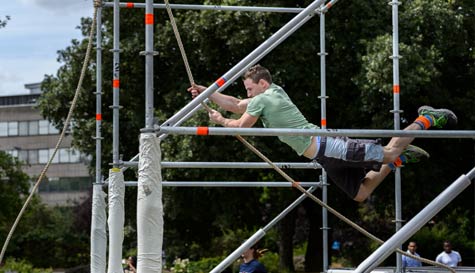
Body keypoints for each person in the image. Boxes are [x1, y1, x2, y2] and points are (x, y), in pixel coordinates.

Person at [188, 65, 457, 202]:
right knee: (359, 195)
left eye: (249, 89)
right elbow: (236, 104)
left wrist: (221, 121)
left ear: (261, 83)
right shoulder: (272, 93)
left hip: (328, 146)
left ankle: (426, 118)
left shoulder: (262, 99)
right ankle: (398, 160)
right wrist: (208, 93)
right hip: (323, 154)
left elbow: (240, 124)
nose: (247, 94)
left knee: (388, 151)